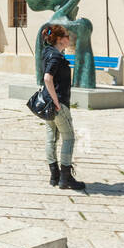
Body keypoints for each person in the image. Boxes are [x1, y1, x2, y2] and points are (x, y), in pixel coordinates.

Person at [40, 23, 85, 191]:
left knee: (51, 137)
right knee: (69, 138)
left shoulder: (48, 52)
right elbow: (47, 78)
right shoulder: (56, 56)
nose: (69, 38)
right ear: (59, 39)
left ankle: (54, 176)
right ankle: (65, 178)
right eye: (66, 36)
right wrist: (57, 102)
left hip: (47, 104)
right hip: (57, 103)